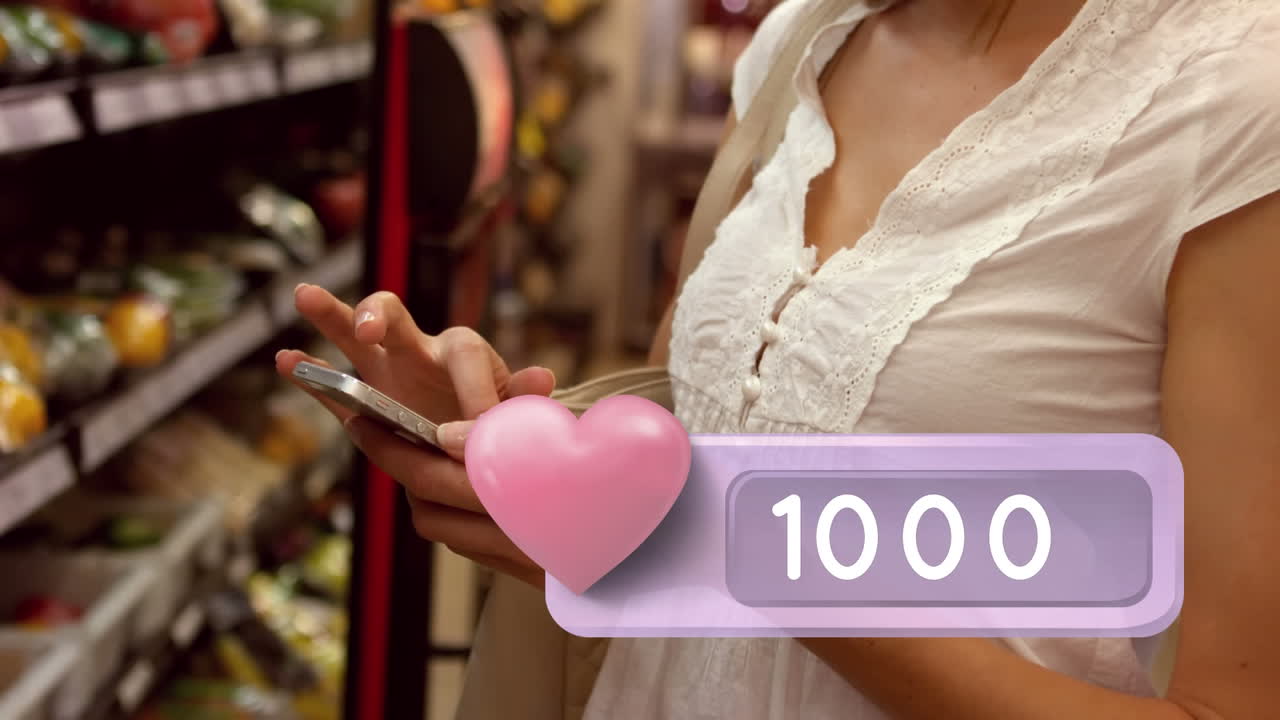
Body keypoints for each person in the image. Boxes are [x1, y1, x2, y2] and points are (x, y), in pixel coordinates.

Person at [276, 0, 1280, 717]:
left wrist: (736, 548)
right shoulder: (800, 43)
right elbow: (690, 445)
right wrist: (519, 447)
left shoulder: (1234, 103)